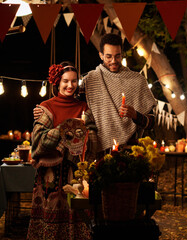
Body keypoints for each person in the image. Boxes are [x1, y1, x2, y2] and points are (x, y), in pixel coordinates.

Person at [27, 62, 97, 240]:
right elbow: (38, 142)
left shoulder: (84, 108)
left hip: (75, 175)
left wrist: (67, 137)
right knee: (49, 222)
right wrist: (66, 129)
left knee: (77, 219)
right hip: (49, 177)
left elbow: (93, 140)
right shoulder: (45, 107)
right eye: (66, 81)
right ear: (57, 82)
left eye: (74, 81)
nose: (70, 85)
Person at [84, 33, 156, 153]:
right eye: (108, 57)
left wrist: (135, 115)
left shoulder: (137, 80)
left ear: (122, 54)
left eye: (117, 56)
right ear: (100, 55)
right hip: (98, 150)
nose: (113, 61)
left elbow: (152, 123)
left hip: (130, 151)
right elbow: (68, 95)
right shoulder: (91, 80)